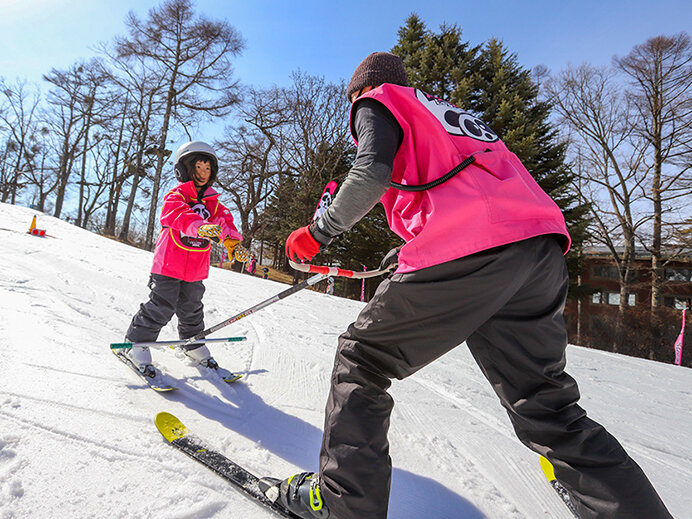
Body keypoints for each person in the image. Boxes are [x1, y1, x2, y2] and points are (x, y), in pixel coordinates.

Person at [276, 53, 673, 519]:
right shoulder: (447, 115)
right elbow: (467, 186)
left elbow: (371, 171)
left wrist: (320, 230)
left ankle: (344, 504)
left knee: (361, 359)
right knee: (547, 407)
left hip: (471, 248)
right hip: (538, 249)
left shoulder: (377, 99)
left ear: (361, 89)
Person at [122, 141, 243, 383]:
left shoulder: (214, 204)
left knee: (192, 308)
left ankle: (192, 343)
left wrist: (232, 241)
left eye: (207, 169)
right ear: (184, 170)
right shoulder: (176, 196)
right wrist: (200, 226)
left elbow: (225, 222)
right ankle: (136, 344)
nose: (202, 174)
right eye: (197, 168)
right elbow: (176, 215)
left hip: (196, 268)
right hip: (169, 264)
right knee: (161, 305)